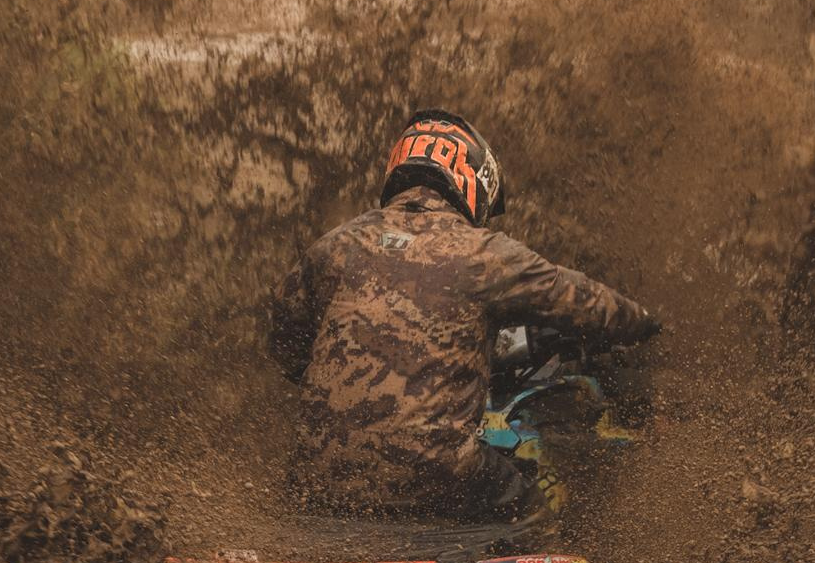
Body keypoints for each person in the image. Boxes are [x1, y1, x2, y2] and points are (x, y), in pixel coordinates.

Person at [268, 109, 659, 522]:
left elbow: (285, 344)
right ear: (473, 180)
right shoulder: (483, 254)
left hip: (313, 479)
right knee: (539, 513)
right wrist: (647, 324)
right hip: (434, 478)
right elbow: (587, 302)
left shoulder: (336, 245)